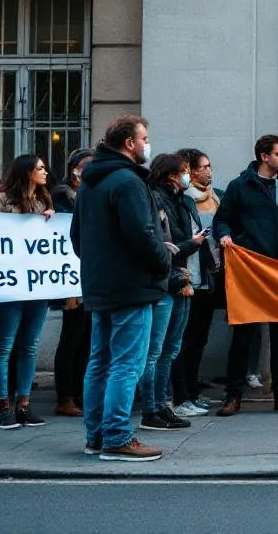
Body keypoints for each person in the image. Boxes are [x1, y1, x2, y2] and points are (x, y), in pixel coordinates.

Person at [72, 115, 171, 462]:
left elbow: (76, 237)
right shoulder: (128, 182)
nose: (147, 143)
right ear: (129, 143)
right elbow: (143, 235)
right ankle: (116, 436)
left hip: (101, 285)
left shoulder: (90, 182)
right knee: (126, 364)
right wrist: (163, 261)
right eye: (144, 137)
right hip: (132, 286)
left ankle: (96, 435)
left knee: (99, 363)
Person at [214, 133, 278, 417]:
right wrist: (224, 236)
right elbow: (223, 219)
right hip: (251, 270)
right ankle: (233, 396)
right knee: (244, 335)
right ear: (264, 156)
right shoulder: (240, 186)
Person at [0, 154, 56, 429]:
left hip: (37, 284)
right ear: (26, 172)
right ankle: (3, 405)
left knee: (30, 346)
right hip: (8, 285)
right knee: (4, 346)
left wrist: (49, 219)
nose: (45, 172)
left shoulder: (43, 201)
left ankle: (23, 404)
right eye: (40, 168)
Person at [139, 153, 204, 431]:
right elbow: (171, 242)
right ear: (170, 176)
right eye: (184, 171)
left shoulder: (181, 201)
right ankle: (152, 407)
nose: (188, 176)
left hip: (181, 279)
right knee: (156, 350)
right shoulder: (157, 200)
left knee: (171, 348)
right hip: (167, 282)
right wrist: (194, 242)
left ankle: (163, 404)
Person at [171, 148, 225, 416]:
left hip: (208, 275)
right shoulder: (183, 200)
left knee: (198, 338)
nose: (208, 171)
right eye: (202, 166)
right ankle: (181, 394)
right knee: (184, 339)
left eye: (209, 166)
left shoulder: (214, 198)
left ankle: (192, 390)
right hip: (189, 275)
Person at [51, 148, 93, 418]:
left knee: (87, 339)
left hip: (89, 274)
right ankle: (65, 395)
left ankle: (79, 391)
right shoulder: (62, 195)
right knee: (71, 337)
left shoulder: (92, 192)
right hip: (69, 275)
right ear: (75, 167)